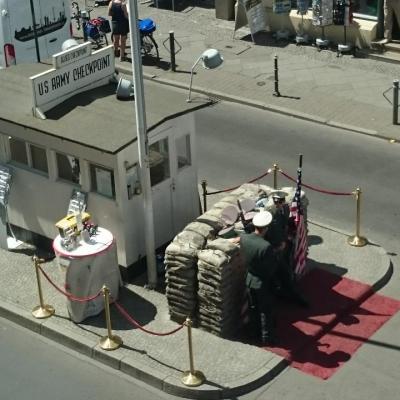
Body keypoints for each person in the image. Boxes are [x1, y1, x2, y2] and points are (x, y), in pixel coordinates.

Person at [237, 211, 279, 345]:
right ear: (266, 228)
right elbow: (271, 268)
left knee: (252, 308)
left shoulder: (244, 238)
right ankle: (267, 338)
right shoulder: (266, 247)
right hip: (262, 283)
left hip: (249, 279)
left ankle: (252, 333)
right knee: (265, 311)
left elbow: (238, 240)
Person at [266, 191, 309, 308]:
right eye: (276, 201)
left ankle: (287, 292)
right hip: (274, 249)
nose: (278, 203)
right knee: (281, 273)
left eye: (280, 201)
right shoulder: (269, 213)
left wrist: (289, 235)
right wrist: (275, 246)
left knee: (287, 270)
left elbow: (285, 224)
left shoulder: (285, 208)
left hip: (285, 245)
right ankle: (290, 294)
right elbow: (266, 233)